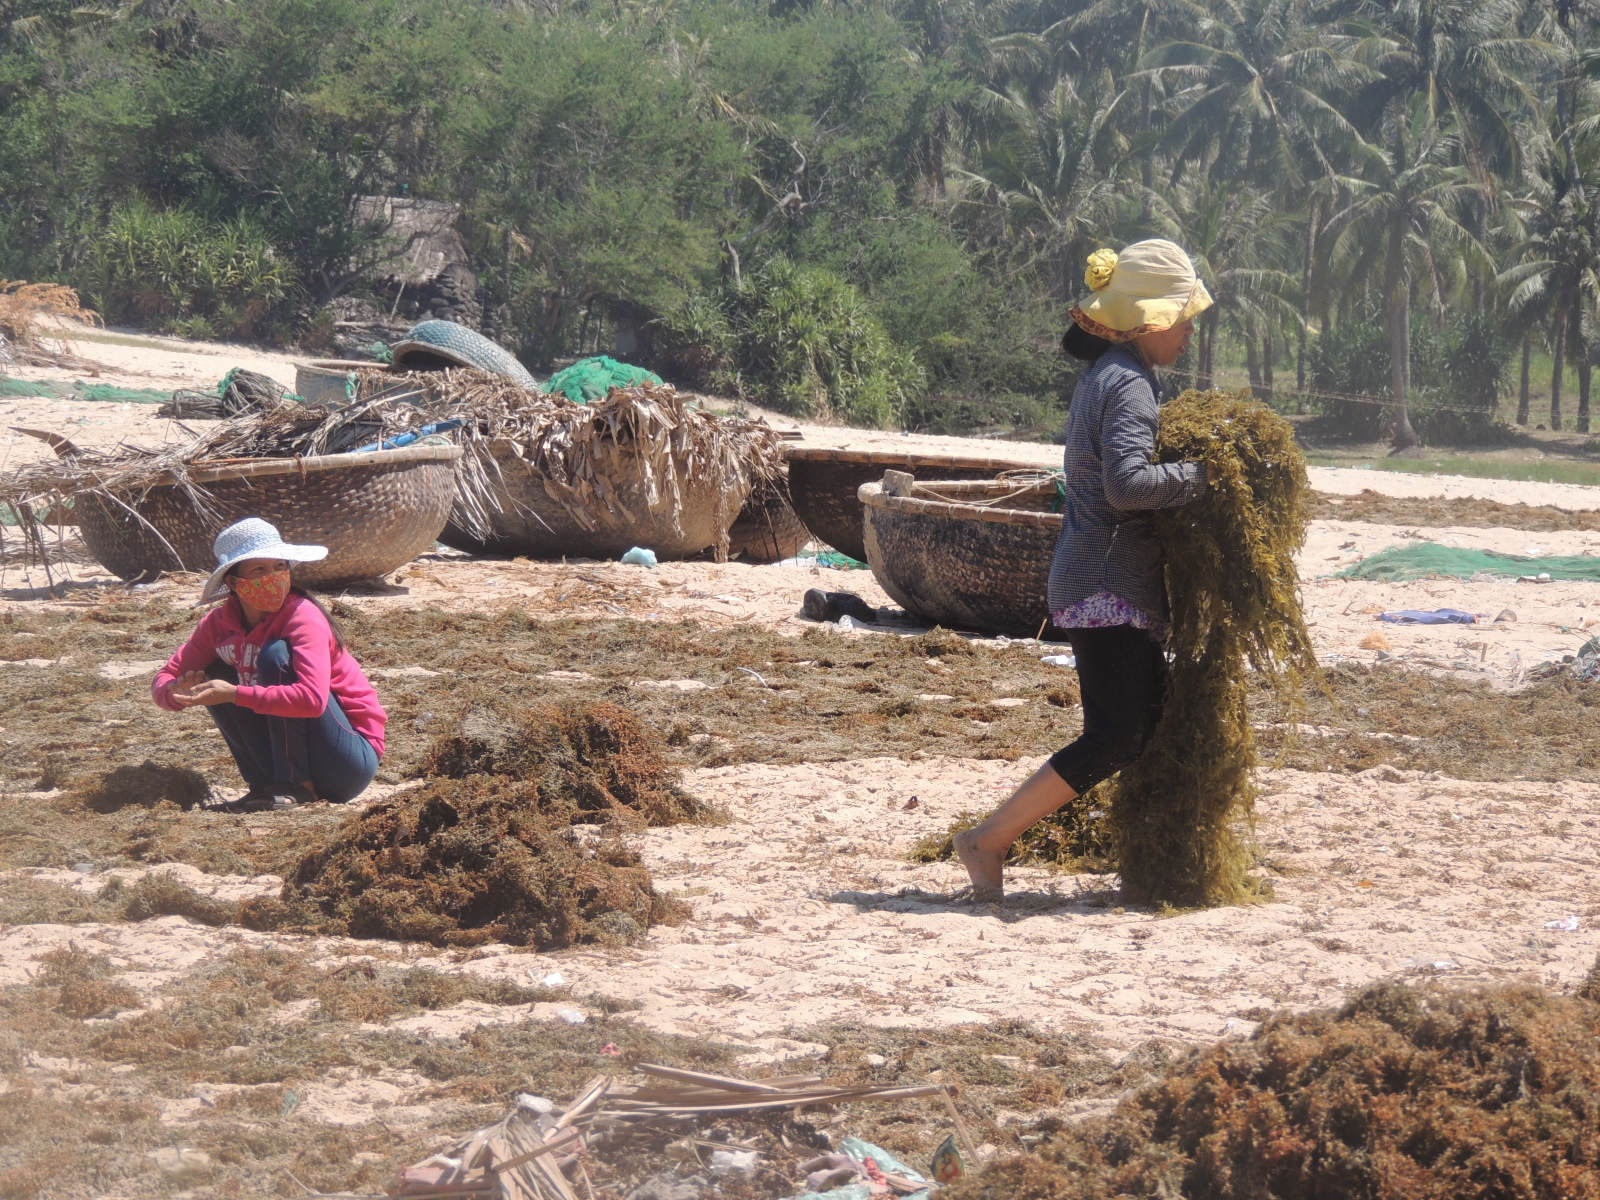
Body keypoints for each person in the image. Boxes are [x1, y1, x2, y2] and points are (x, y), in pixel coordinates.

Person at [954, 238, 1213, 900]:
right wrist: (1206, 477)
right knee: (1118, 734)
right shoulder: (1127, 385)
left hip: (1102, 581)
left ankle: (1154, 856)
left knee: (1145, 725)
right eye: (1183, 318)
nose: (1188, 331)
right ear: (1151, 319)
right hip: (1106, 586)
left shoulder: (1115, 375)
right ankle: (988, 839)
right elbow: (1128, 485)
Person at [152, 517, 387, 813]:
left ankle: (296, 786)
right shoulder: (218, 625)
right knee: (214, 673)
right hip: (283, 757)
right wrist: (176, 692)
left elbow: (313, 701)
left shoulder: (303, 616)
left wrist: (234, 694)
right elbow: (166, 677)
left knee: (275, 656)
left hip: (348, 761)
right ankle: (264, 787)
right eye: (259, 570)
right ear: (234, 583)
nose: (274, 577)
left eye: (280, 567)